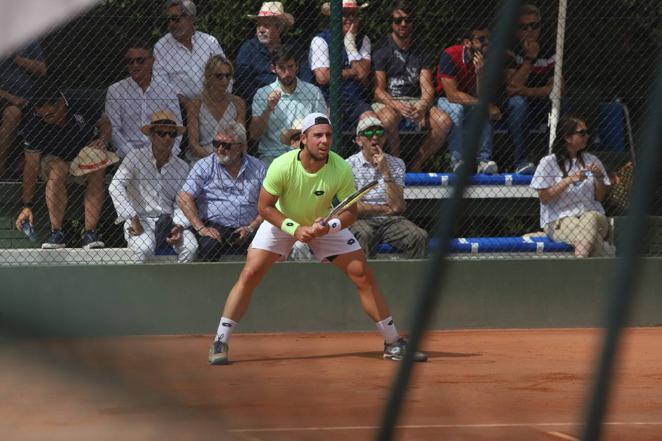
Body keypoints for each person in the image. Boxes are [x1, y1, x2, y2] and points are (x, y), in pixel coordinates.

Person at [207, 112, 427, 365]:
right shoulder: (282, 165)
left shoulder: (340, 167)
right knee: (250, 273)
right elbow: (265, 207)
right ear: (304, 139)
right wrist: (294, 229)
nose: (324, 140)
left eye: (329, 135)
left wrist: (329, 226)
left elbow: (350, 212)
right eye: (318, 135)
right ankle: (220, 341)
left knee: (362, 273)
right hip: (281, 221)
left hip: (321, 222)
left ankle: (393, 342)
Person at [15, 86, 113, 249]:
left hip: (84, 155)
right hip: (53, 159)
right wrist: (27, 205)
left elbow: (105, 123)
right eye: (43, 116)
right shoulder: (33, 121)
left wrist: (102, 141)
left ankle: (90, 233)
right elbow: (31, 166)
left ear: (62, 103)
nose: (47, 119)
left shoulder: (82, 101)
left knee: (98, 168)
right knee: (58, 169)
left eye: (51, 114)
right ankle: (56, 233)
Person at [372, 0, 451, 172]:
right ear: (391, 23)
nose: (403, 24)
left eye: (408, 20)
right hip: (389, 103)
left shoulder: (422, 50)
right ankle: (396, 164)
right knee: (387, 119)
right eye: (398, 20)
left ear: (413, 23)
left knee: (443, 121)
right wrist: (397, 105)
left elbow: (427, 87)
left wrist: (422, 106)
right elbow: (378, 90)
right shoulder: (381, 49)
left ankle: (416, 164)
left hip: (415, 102)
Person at [109, 110, 197, 262]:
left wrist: (179, 225)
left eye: (172, 134)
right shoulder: (135, 157)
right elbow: (115, 186)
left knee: (191, 248)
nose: (168, 138)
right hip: (140, 218)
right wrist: (131, 216)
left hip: (169, 220)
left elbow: (182, 201)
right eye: (162, 133)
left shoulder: (182, 166)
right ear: (151, 135)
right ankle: (140, 285)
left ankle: (177, 285)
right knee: (144, 249)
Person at [178, 121, 266, 261]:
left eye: (226, 145)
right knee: (208, 245)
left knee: (268, 245)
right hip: (215, 227)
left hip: (250, 228)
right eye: (216, 143)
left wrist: (250, 228)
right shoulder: (204, 165)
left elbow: (269, 204)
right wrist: (201, 229)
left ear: (241, 146)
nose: (219, 149)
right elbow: (184, 197)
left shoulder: (258, 167)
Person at [347, 116, 428, 258]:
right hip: (361, 220)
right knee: (365, 235)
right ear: (359, 140)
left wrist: (385, 171)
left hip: (391, 221)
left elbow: (398, 207)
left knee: (419, 236)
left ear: (384, 138)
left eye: (379, 133)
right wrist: (387, 209)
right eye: (368, 133)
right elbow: (355, 208)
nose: (374, 137)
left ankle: (413, 279)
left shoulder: (397, 164)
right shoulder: (347, 165)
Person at [530, 116, 611, 257]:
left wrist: (599, 177)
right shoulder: (548, 162)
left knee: (590, 217)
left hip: (596, 217)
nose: (587, 136)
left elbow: (600, 197)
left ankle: (578, 265)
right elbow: (544, 198)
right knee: (591, 237)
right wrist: (569, 180)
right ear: (567, 137)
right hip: (560, 219)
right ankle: (597, 262)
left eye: (587, 132)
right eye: (582, 133)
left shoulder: (592, 160)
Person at [504, 4, 563, 175]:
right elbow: (512, 87)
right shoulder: (509, 49)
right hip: (511, 106)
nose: (530, 30)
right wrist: (530, 58)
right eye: (524, 27)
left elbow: (559, 88)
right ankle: (521, 161)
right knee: (518, 103)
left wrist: (526, 91)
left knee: (561, 104)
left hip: (540, 102)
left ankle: (560, 160)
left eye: (534, 25)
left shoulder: (550, 48)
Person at [436, 22, 501, 175]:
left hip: (471, 102)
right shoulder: (450, 54)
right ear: (467, 42)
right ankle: (457, 162)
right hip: (443, 101)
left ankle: (484, 161)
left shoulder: (489, 58)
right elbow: (452, 95)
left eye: (488, 39)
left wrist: (480, 73)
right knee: (458, 108)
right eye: (481, 39)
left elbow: (481, 95)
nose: (487, 43)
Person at [105, 39, 183, 159]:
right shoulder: (115, 91)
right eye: (130, 61)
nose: (135, 65)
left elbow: (176, 126)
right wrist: (133, 155)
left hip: (162, 152)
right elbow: (113, 130)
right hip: (127, 156)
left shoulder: (168, 90)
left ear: (152, 61)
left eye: (140, 60)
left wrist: (170, 152)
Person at [250, 46, 327, 165]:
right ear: (273, 68)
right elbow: (255, 134)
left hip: (304, 153)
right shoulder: (263, 94)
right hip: (272, 155)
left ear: (297, 66)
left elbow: (322, 130)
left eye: (290, 67)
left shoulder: (313, 92)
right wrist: (268, 108)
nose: (287, 73)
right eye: (281, 68)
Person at [309, 0, 373, 130]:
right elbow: (322, 77)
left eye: (353, 14)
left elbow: (362, 74)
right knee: (325, 128)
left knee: (372, 123)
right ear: (334, 16)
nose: (349, 18)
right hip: (328, 101)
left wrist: (350, 43)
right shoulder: (320, 40)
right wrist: (351, 72)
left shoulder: (363, 39)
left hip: (355, 101)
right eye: (344, 14)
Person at [153, 0, 225, 103]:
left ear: (190, 19)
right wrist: (187, 104)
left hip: (214, 102)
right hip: (179, 107)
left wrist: (217, 98)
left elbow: (225, 72)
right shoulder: (161, 47)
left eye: (175, 18)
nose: (171, 24)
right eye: (167, 20)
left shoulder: (209, 42)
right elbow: (160, 84)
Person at [235, 2, 302, 106]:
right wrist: (265, 100)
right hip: (258, 103)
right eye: (258, 25)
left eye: (266, 25)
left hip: (294, 101)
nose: (261, 30)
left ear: (279, 28)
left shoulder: (293, 46)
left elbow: (305, 76)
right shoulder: (248, 49)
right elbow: (243, 84)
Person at [185, 55, 246, 163]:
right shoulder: (196, 104)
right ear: (208, 77)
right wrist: (216, 159)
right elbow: (193, 144)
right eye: (219, 76)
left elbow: (241, 140)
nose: (225, 80)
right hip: (203, 159)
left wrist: (235, 160)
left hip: (231, 158)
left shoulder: (238, 103)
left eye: (228, 76)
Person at [0, 40, 47, 177]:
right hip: (5, 99)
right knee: (13, 113)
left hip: (32, 99)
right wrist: (12, 98)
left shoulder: (30, 39)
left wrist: (15, 57)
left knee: (45, 114)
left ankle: (25, 170)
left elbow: (42, 70)